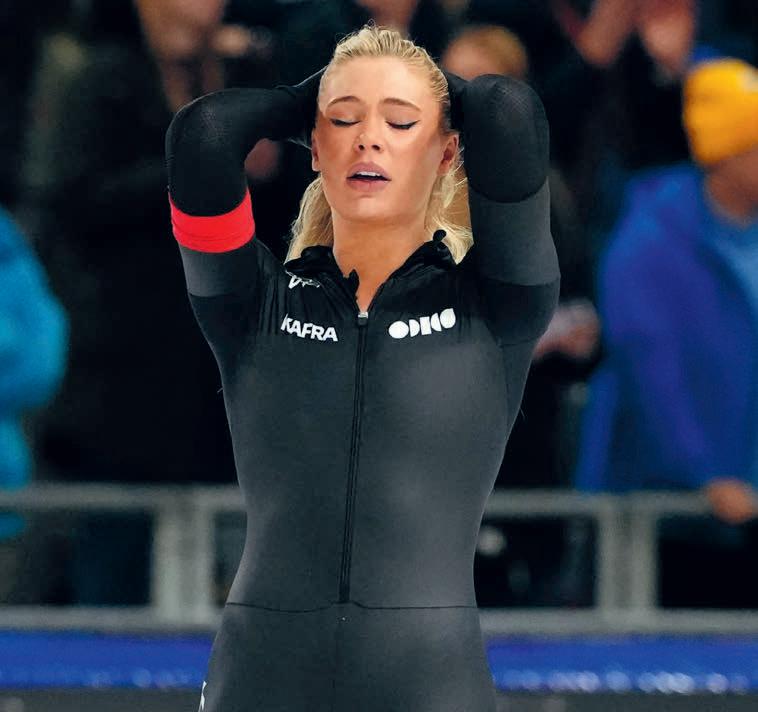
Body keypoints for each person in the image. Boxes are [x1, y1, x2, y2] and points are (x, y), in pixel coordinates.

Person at [166, 23, 559, 711]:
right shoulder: (251, 306)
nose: (368, 140)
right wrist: (304, 102)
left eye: (400, 123)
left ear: (448, 151)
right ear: (314, 147)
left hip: (429, 683)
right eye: (344, 121)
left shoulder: (498, 303)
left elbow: (509, 113)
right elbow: (203, 136)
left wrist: (422, 87)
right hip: (260, 679)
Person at [574, 57, 758, 606]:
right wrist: (705, 474)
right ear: (728, 154)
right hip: (662, 517)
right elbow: (652, 372)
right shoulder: (648, 243)